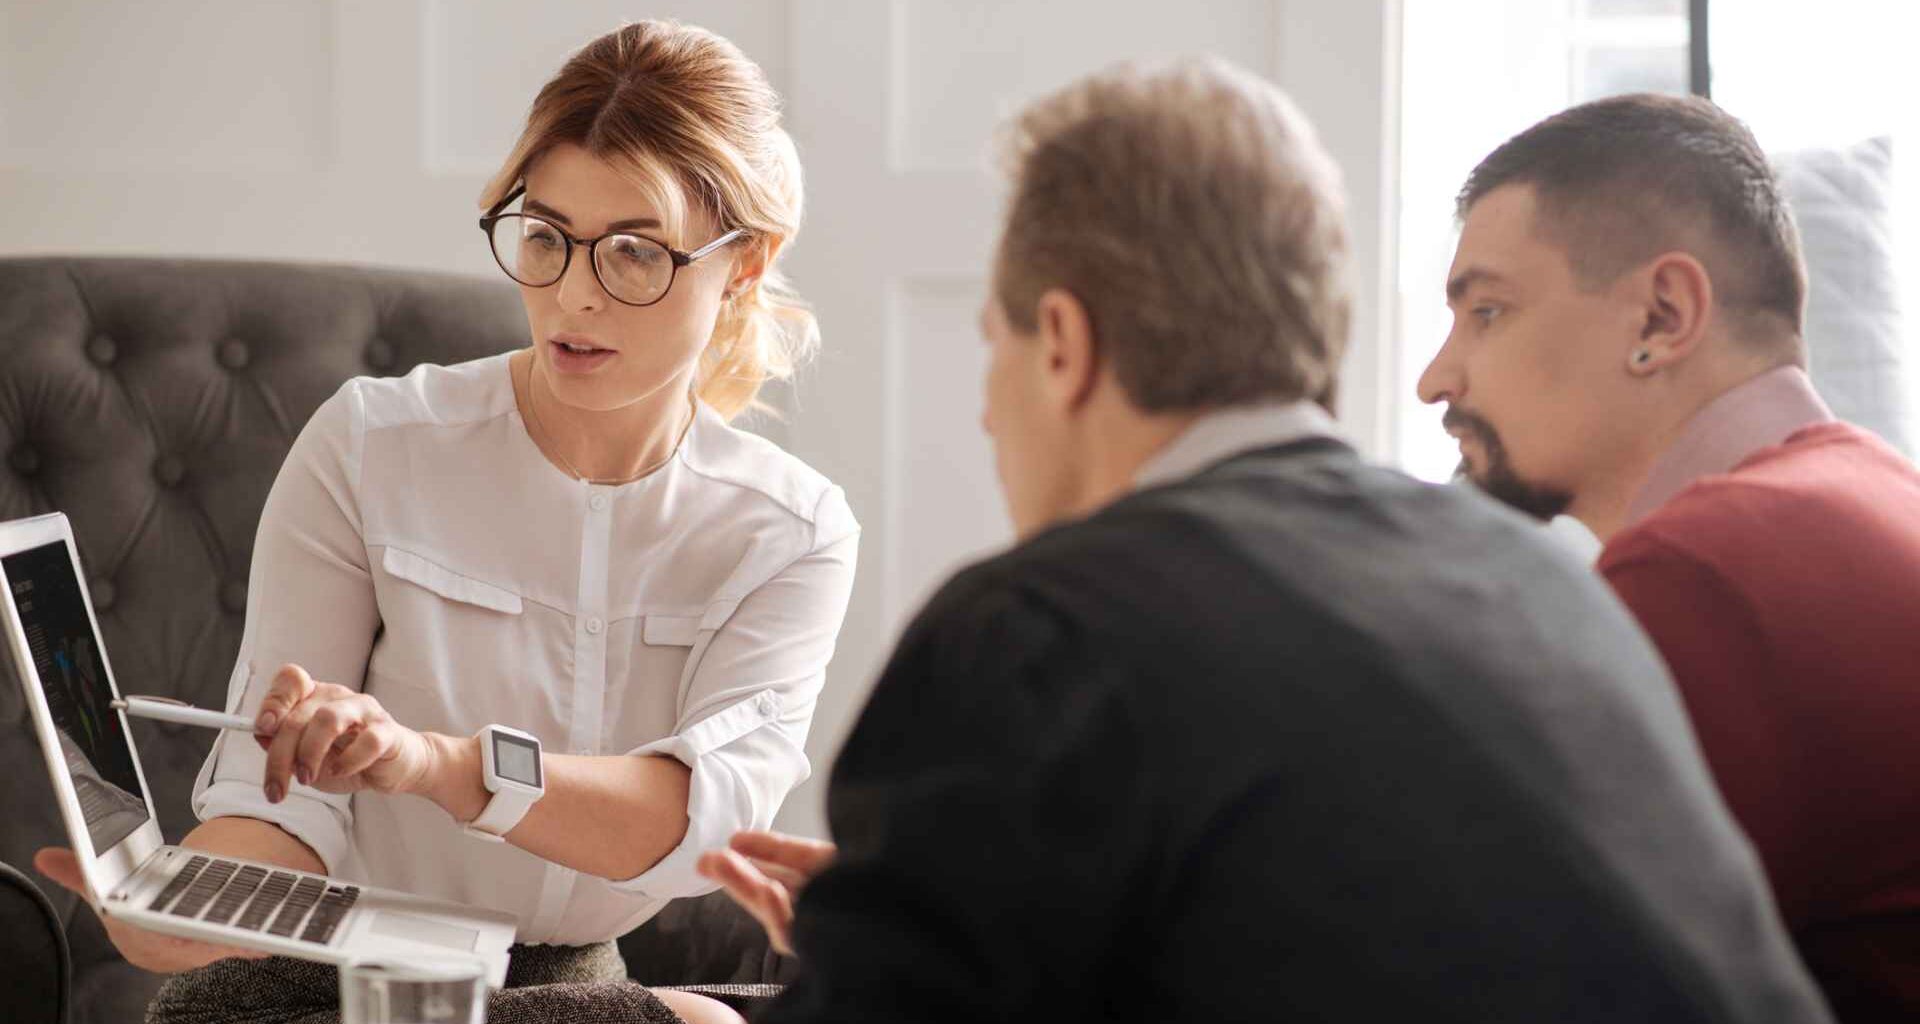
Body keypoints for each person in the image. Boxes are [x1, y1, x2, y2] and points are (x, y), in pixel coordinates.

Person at [696, 59, 1832, 1023]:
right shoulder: (1544, 582)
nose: (989, 414)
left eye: (992, 348)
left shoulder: (1032, 632)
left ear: (1063, 343)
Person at [34, 20, 857, 1024]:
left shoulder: (790, 530)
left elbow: (689, 819)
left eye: (635, 254)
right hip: (316, 984)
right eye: (548, 238)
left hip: (562, 993)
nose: (574, 296)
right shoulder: (373, 445)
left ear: (744, 262)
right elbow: (279, 812)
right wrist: (164, 915)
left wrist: (434, 764)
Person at [1415, 92, 1920, 1021]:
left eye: (1487, 312)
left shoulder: (1702, 578)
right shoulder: (1879, 492)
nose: (1434, 380)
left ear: (1662, 315)